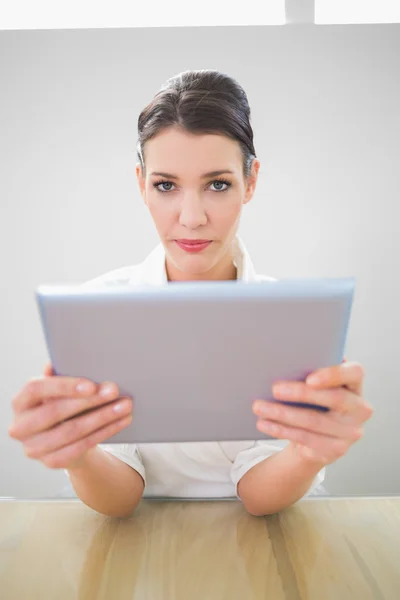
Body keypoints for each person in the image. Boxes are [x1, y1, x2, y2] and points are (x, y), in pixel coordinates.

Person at [8, 70, 373, 518]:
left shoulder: (294, 323)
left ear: (250, 181)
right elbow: (121, 498)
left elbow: (258, 496)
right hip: (137, 546)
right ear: (141, 184)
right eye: (166, 186)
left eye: (217, 184)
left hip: (271, 542)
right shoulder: (99, 311)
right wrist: (77, 453)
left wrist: (311, 453)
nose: (192, 217)